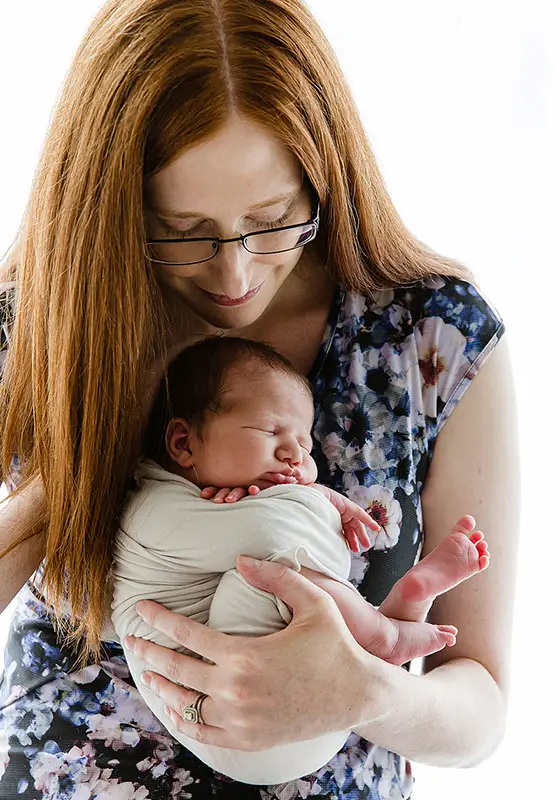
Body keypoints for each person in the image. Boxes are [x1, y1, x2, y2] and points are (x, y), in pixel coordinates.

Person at [0, 1, 518, 798]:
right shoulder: (33, 323)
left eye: (273, 222)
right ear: (108, 209)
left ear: (326, 181)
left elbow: (479, 702)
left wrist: (364, 690)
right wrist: (93, 427)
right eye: (181, 229)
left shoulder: (431, 338)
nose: (234, 278)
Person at [112, 335, 489, 784]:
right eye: (271, 432)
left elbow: (287, 527)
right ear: (183, 442)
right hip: (235, 732)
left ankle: (397, 613)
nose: (294, 455)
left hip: (322, 714)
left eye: (305, 447)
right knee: (262, 575)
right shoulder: (150, 512)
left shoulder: (202, 503)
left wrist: (308, 496)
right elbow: (274, 534)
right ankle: (382, 632)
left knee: (272, 580)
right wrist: (315, 502)